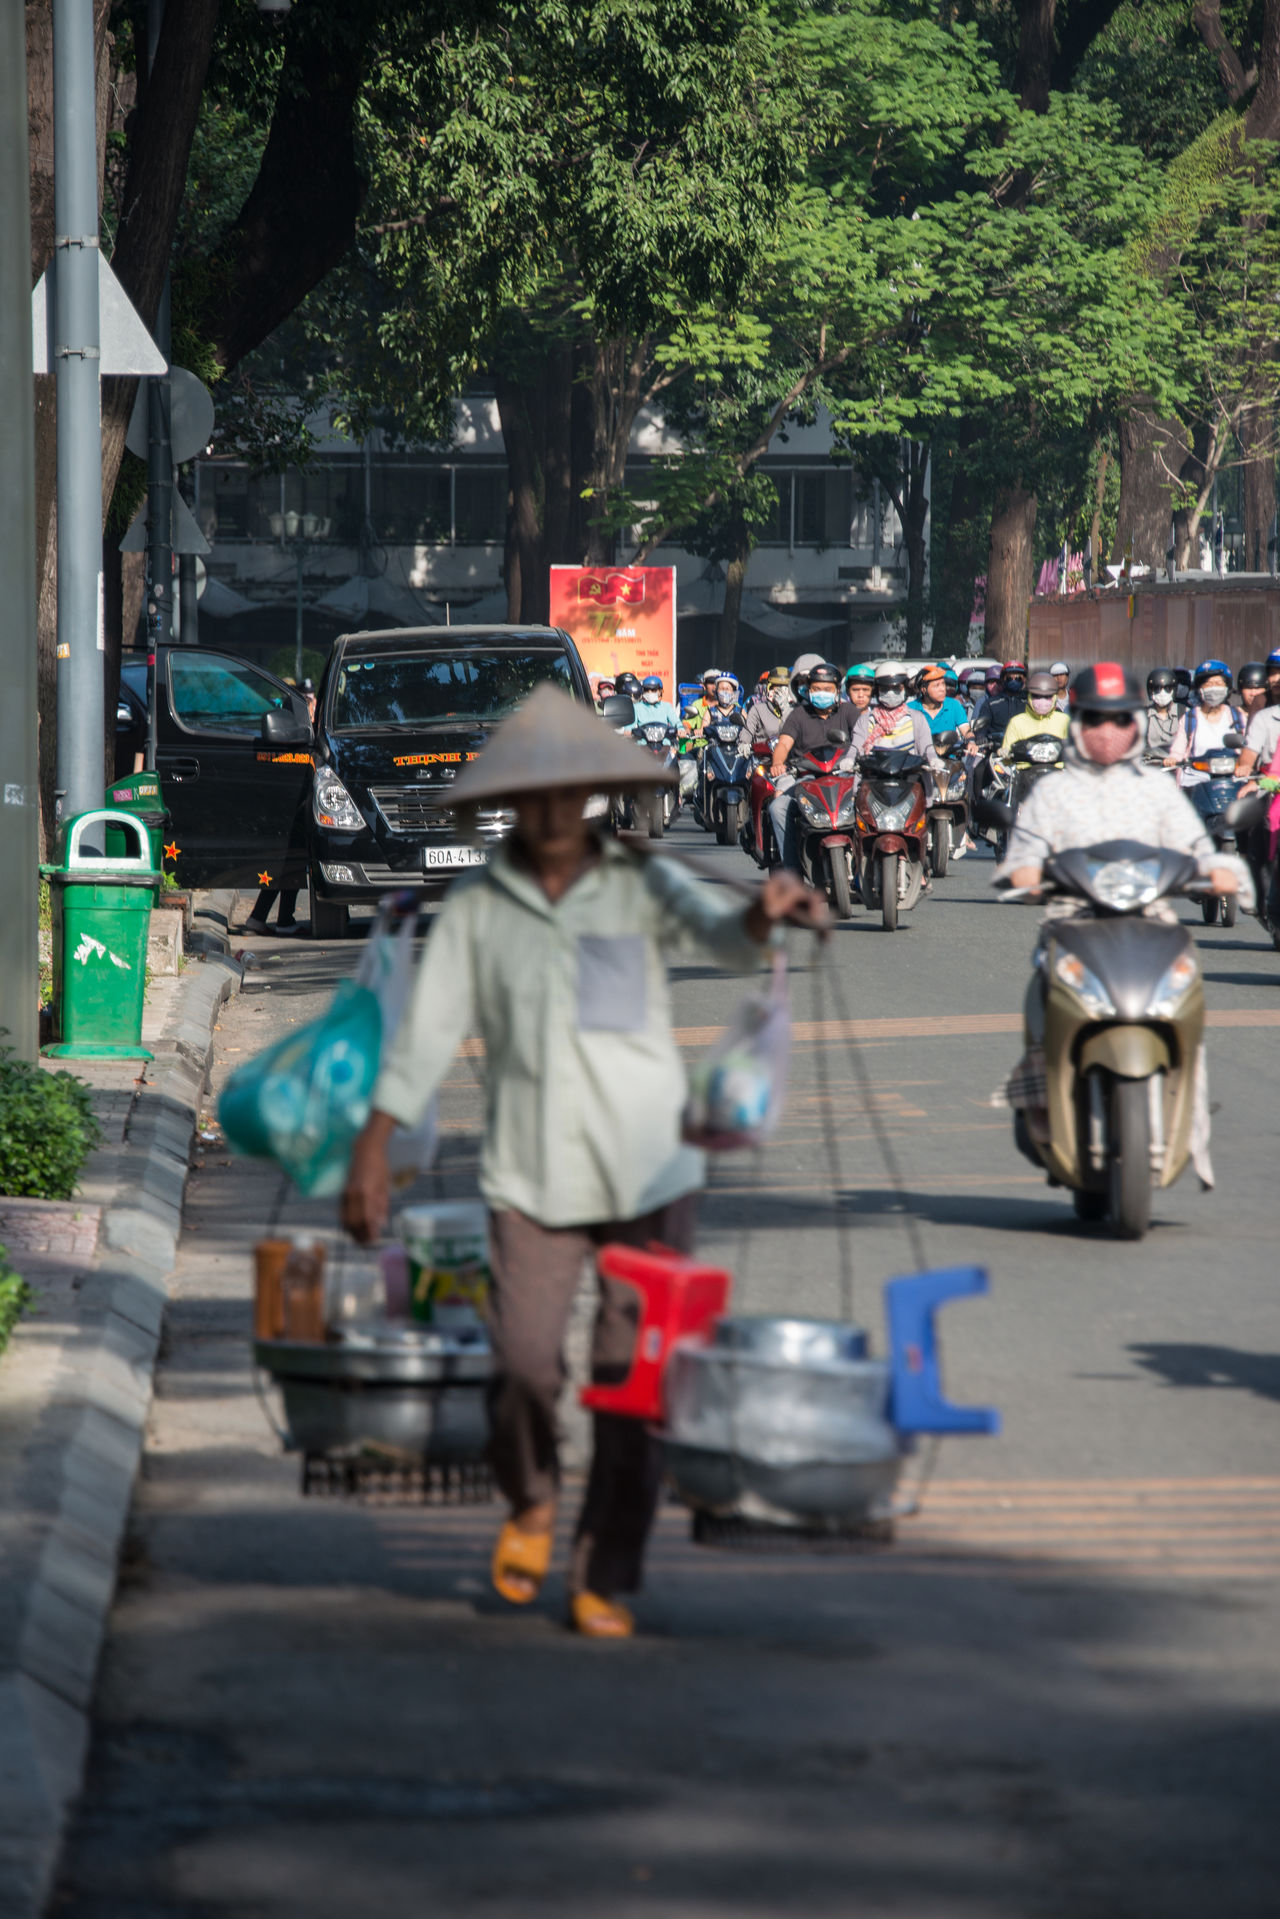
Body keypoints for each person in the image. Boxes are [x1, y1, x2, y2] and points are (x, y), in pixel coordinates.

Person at [341, 685, 824, 1638]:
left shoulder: (641, 882)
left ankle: (607, 1562)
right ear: (510, 803)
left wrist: (767, 914)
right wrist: (371, 1146)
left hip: (653, 1169)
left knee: (631, 1378)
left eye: (573, 792)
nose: (555, 810)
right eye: (536, 794)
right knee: (522, 1364)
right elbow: (425, 1034)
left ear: (595, 794)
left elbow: (724, 942)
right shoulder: (479, 905)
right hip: (531, 1173)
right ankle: (530, 1497)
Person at [996, 661, 1249, 1184]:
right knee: (1040, 993)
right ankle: (1042, 1096)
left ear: (1136, 724)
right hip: (1071, 921)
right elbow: (1023, 854)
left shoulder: (1158, 790)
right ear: (1077, 723)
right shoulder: (1053, 793)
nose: (1107, 732)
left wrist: (1217, 871)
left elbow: (1197, 848)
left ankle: (1189, 1121)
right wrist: (1027, 873)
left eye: (1119, 720)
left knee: (1188, 1006)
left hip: (1152, 921)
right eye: (1093, 719)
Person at [767, 662, 858, 872]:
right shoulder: (799, 715)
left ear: (837, 690)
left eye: (827, 689)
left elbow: (864, 739)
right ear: (808, 690)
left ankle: (868, 865)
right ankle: (792, 870)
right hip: (805, 778)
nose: (822, 693)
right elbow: (784, 743)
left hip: (844, 778)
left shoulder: (849, 711)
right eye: (816, 689)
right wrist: (778, 763)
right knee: (778, 808)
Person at [1164, 659, 1245, 822]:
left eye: (1218, 683)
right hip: (1197, 782)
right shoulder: (1189, 718)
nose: (1213, 688)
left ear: (1227, 687)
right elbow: (1179, 748)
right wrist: (1173, 759)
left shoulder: (1238, 716)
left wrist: (1248, 764)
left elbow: (1249, 747)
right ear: (1199, 689)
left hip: (1232, 781)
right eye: (1208, 684)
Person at [847, 664, 944, 770]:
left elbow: (927, 747)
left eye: (896, 688)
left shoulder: (917, 718)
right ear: (877, 691)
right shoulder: (866, 720)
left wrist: (933, 759)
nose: (891, 693)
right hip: (874, 778)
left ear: (905, 689)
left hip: (909, 778)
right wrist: (849, 759)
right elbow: (856, 746)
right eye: (885, 688)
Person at [996, 671, 1070, 760]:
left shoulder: (1065, 721)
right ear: (1029, 696)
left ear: (1054, 697)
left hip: (1059, 771)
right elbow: (1007, 755)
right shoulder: (1017, 722)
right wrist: (1005, 753)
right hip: (1024, 771)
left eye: (1047, 696)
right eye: (1037, 696)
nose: (1042, 700)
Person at [738, 665, 792, 756]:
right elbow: (748, 731)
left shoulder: (796, 711)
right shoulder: (758, 709)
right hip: (763, 760)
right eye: (777, 687)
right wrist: (743, 743)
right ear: (769, 688)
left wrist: (786, 710)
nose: (781, 692)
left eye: (785, 688)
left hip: (791, 762)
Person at [909, 663, 971, 738]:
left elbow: (967, 731)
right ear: (924, 690)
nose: (942, 689)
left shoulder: (954, 705)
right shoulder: (910, 709)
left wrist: (971, 741)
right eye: (936, 685)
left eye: (943, 684)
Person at [1144, 668, 1180, 757]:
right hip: (1150, 764)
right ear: (1150, 691)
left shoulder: (1185, 713)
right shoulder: (1143, 715)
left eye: (1167, 688)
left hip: (1179, 764)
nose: (1162, 693)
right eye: (1157, 689)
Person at [1236, 661, 1268, 728]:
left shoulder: (1274, 715)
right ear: (1241, 690)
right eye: (1248, 688)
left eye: (1258, 688)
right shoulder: (1231, 715)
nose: (1253, 693)